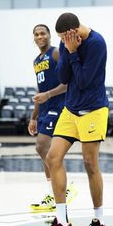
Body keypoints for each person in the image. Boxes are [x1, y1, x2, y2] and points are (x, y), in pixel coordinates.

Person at [32, 12, 109, 226]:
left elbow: (84, 81)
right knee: (53, 157)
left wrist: (73, 52)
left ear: (72, 31)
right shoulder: (66, 44)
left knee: (90, 163)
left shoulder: (97, 43)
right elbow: (64, 76)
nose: (62, 42)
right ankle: (62, 222)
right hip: (71, 109)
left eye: (64, 38)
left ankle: (99, 223)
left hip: (93, 109)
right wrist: (67, 50)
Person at [29, 24, 77, 212]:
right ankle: (54, 193)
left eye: (43, 33)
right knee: (44, 152)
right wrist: (33, 117)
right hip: (44, 108)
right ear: (33, 38)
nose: (40, 36)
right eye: (36, 34)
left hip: (59, 105)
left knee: (42, 146)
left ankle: (65, 189)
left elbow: (67, 83)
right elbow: (39, 92)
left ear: (49, 35)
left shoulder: (56, 53)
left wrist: (48, 95)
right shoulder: (36, 61)